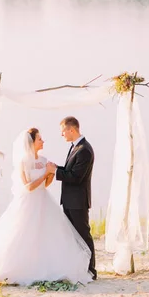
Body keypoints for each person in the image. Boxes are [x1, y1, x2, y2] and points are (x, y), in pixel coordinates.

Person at [0, 128, 93, 286]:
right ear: (32, 142)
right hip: (28, 201)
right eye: (40, 139)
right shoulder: (23, 162)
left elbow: (46, 185)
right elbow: (28, 187)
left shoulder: (43, 160)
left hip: (44, 199)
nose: (43, 141)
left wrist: (50, 174)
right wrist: (45, 175)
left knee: (49, 234)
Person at [49, 116, 97, 280]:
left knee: (83, 235)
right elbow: (70, 170)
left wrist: (54, 172)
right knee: (74, 237)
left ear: (71, 129)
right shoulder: (75, 147)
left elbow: (76, 177)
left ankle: (91, 270)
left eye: (63, 131)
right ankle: (80, 267)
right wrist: (57, 168)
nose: (62, 135)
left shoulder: (84, 149)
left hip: (78, 201)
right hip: (70, 200)